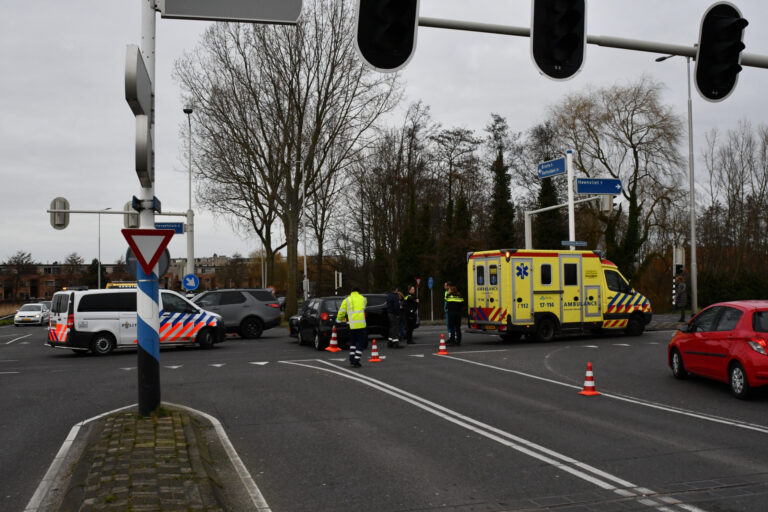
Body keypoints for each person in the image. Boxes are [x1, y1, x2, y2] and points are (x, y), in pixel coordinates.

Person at [337, 286, 368, 367]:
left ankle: (351, 359)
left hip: (352, 325)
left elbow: (341, 312)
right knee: (360, 343)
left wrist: (338, 320)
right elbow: (364, 306)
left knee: (353, 343)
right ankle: (356, 360)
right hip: (361, 325)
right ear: (359, 291)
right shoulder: (363, 299)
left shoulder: (346, 300)